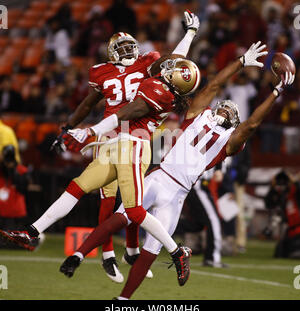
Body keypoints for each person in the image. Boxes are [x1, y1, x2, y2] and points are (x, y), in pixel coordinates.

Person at [59, 41, 293, 300]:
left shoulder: (231, 141)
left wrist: (275, 92)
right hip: (159, 176)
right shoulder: (198, 114)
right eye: (225, 105)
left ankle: (123, 299)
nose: (228, 108)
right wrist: (240, 63)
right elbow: (214, 85)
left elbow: (252, 124)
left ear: (235, 122)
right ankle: (78, 255)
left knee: (152, 249)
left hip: (179, 194)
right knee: (120, 216)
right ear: (215, 107)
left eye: (233, 111)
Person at [0, 56, 201, 287]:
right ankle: (32, 232)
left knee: (134, 211)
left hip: (134, 147)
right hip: (117, 144)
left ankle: (177, 252)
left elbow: (126, 113)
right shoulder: (165, 87)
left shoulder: (160, 91)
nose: (168, 67)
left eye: (174, 70)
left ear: (174, 79)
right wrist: (190, 33)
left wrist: (90, 132)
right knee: (77, 186)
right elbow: (177, 58)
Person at [54, 11, 200, 283]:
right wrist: (69, 126)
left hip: (138, 134)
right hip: (112, 133)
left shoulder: (148, 63)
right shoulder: (101, 72)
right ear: (111, 53)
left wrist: (189, 34)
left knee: (135, 198)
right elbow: (87, 104)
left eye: (130, 45)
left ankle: (131, 250)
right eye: (121, 48)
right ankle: (108, 255)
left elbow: (175, 62)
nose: (127, 50)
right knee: (109, 199)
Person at [264, 170, 300, 259]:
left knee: (296, 249)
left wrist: (295, 181)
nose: (281, 188)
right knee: (280, 252)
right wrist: (272, 188)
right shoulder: (280, 195)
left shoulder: (297, 190)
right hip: (292, 229)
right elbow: (268, 203)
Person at [0, 145, 30, 232]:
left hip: (15, 210)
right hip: (4, 209)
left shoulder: (20, 170)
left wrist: (13, 170)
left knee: (14, 237)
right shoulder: (2, 169)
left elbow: (23, 188)